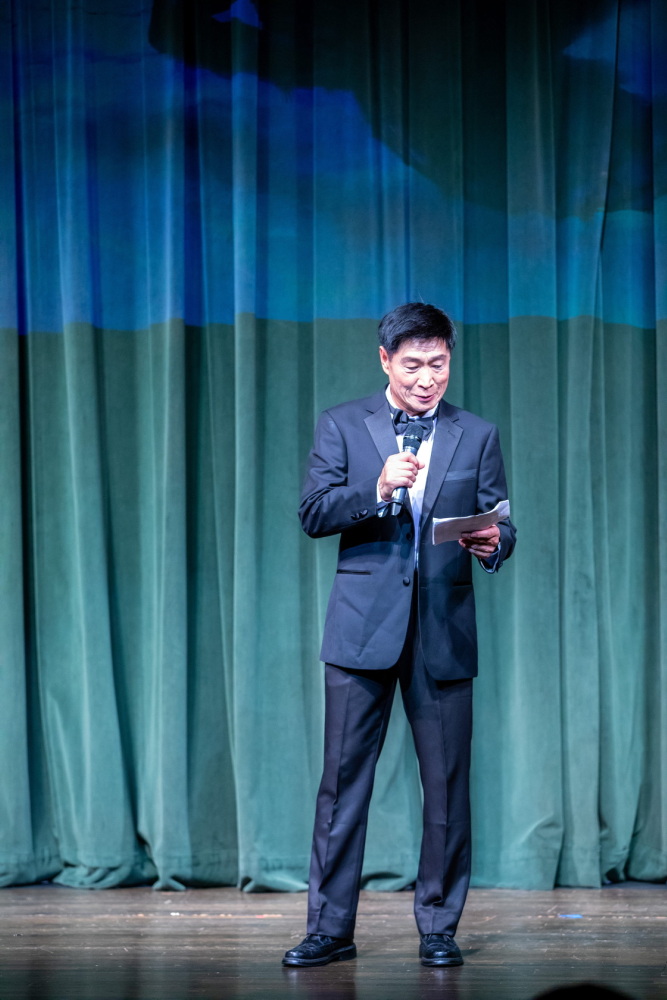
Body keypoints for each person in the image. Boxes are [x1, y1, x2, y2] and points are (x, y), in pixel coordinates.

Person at [282, 302, 516, 968]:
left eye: (437, 364)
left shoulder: (476, 433)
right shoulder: (342, 424)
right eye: (412, 364)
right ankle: (329, 929)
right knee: (342, 785)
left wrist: (493, 542)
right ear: (385, 360)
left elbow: (501, 523)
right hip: (361, 633)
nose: (426, 378)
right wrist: (376, 485)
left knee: (445, 787)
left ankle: (438, 926)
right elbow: (313, 512)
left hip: (442, 631)